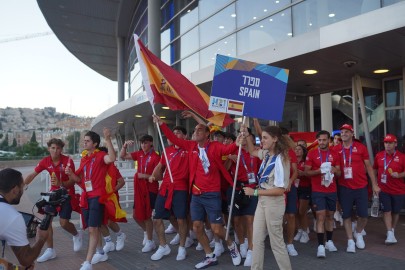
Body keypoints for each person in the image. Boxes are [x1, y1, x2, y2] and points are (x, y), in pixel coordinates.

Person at [153, 115, 242, 269]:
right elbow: (174, 139)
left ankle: (231, 244)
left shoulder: (215, 146)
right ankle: (209, 255)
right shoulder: (191, 146)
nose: (197, 131)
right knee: (197, 227)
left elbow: (228, 149)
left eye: (200, 129)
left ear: (208, 134)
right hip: (196, 195)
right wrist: (162, 124)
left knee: (216, 228)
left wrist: (238, 142)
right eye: (195, 130)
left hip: (212, 193)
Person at [242, 125, 292, 270]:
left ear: (275, 139)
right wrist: (246, 135)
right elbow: (252, 151)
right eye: (261, 137)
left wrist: (255, 193)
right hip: (263, 201)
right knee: (256, 240)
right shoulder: (267, 154)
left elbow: (280, 190)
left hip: (274, 203)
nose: (261, 141)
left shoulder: (281, 160)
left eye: (265, 138)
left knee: (276, 243)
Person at [24, 138, 82, 263]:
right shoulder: (45, 161)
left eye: (58, 148)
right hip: (52, 194)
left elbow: (73, 181)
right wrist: (21, 186)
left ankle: (77, 235)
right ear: (49, 148)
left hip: (67, 194)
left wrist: (61, 183)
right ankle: (50, 250)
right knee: (46, 222)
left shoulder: (68, 161)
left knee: (63, 223)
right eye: (53, 148)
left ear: (61, 149)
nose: (55, 151)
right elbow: (32, 175)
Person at [65, 128, 116, 270]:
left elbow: (111, 158)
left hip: (97, 197)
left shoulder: (101, 155)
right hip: (86, 197)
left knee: (93, 228)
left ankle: (88, 262)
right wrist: (70, 174)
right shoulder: (84, 158)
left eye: (87, 141)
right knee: (94, 227)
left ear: (95, 144)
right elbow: (78, 180)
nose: (84, 143)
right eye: (84, 140)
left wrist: (108, 139)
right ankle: (100, 252)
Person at [149, 126, 193, 261]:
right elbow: (160, 167)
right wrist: (153, 175)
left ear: (185, 136)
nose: (174, 135)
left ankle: (182, 248)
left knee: (181, 218)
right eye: (173, 133)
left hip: (180, 188)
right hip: (165, 188)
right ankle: (163, 246)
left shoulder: (189, 148)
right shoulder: (166, 151)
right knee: (156, 219)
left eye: (178, 133)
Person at [334, 124, 380, 253]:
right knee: (346, 215)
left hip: (361, 186)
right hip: (344, 187)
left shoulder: (360, 147)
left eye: (346, 132)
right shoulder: (336, 149)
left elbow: (369, 167)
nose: (343, 134)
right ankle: (350, 240)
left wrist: (374, 184)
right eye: (342, 132)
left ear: (352, 134)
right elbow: (336, 169)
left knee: (363, 215)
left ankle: (358, 233)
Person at [0, 168, 50, 268]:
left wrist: (13, 267)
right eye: (23, 188)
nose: (22, 192)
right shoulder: (12, 217)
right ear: (15, 190)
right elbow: (26, 260)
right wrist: (41, 239)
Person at [120, 134, 160, 253]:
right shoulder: (139, 154)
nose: (143, 145)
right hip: (140, 190)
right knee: (135, 215)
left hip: (151, 190)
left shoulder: (156, 157)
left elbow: (159, 177)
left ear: (151, 143)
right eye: (142, 143)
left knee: (147, 216)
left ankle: (150, 241)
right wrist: (125, 145)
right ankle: (147, 233)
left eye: (146, 143)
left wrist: (145, 176)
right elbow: (122, 156)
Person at [305, 130, 341, 258]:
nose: (321, 142)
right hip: (318, 190)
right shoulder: (312, 153)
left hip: (331, 190)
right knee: (320, 216)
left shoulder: (335, 153)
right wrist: (318, 171)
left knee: (330, 216)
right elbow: (306, 172)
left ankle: (329, 242)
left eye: (324, 140)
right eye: (319, 140)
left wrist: (334, 169)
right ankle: (320, 246)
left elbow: (339, 173)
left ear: (329, 141)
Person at [226, 130, 260, 267]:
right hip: (237, 189)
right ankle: (242, 244)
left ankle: (252, 250)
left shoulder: (256, 153)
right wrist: (230, 158)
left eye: (247, 137)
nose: (244, 139)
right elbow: (225, 170)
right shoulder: (235, 152)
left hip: (252, 189)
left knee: (250, 219)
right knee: (236, 220)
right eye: (242, 136)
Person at [373, 134, 405, 244]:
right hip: (383, 189)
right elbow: (375, 170)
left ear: (395, 144)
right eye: (386, 143)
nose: (387, 145)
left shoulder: (402, 157)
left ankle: (392, 230)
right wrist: (374, 184)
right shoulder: (379, 155)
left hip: (398, 190)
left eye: (390, 143)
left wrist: (399, 175)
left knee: (395, 212)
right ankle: (390, 233)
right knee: (387, 211)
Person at [97, 147, 127, 254]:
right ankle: (108, 242)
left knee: (109, 221)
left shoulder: (112, 168)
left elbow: (122, 182)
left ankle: (120, 235)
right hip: (99, 197)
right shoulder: (97, 166)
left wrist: (112, 191)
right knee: (99, 221)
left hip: (111, 198)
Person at [294, 144, 311, 244]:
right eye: (295, 149)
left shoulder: (306, 162)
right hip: (295, 188)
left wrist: (303, 173)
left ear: (303, 151)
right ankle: (299, 230)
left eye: (299, 149)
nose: (297, 151)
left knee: (302, 211)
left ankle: (305, 232)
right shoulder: (292, 161)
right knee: (295, 211)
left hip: (305, 187)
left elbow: (310, 175)